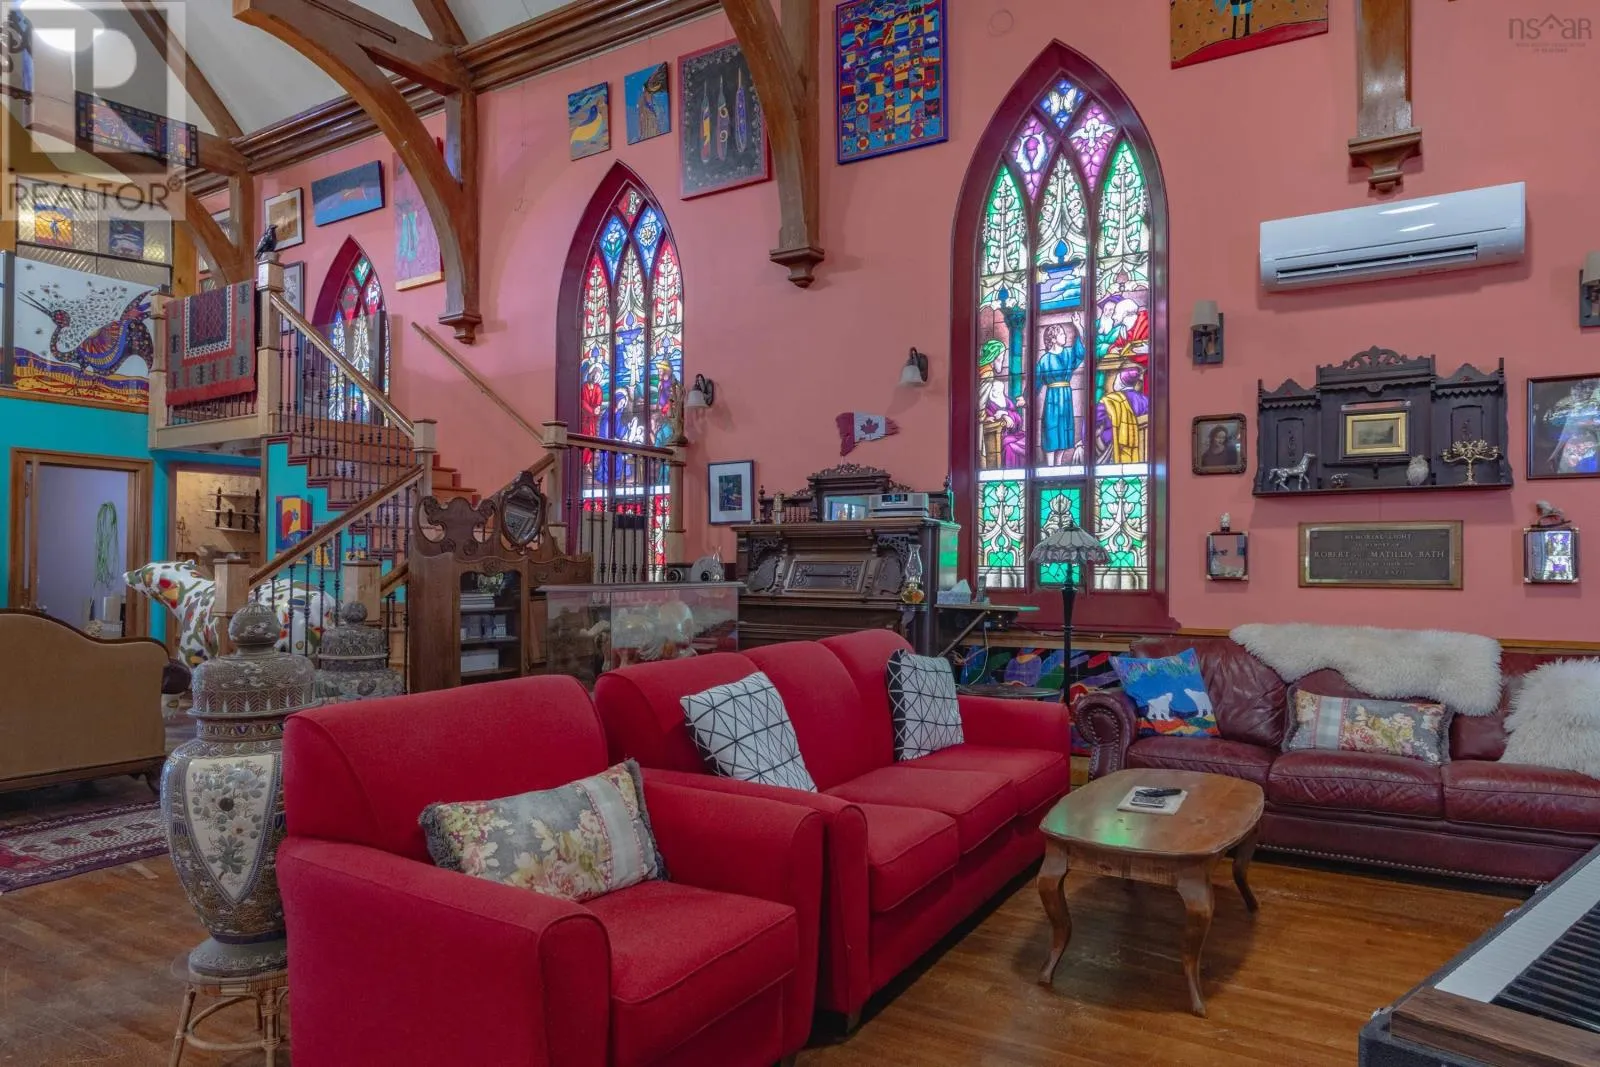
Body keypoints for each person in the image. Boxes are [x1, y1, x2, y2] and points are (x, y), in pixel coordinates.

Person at [1036, 323, 1086, 464]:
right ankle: (1050, 467)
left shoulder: (1069, 354)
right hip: (1052, 397)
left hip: (1066, 397)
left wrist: (1079, 327)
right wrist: (1025, 398)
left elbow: (1081, 352)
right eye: (1061, 334)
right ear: (1053, 339)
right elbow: (1036, 381)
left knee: (1063, 430)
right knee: (1051, 430)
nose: (1065, 336)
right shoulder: (1044, 360)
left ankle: (1058, 465)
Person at [1097, 365, 1149, 464]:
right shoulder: (1146, 400)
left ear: (1121, 383)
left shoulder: (1110, 400)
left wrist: (1083, 441)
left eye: (1116, 379)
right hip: (1142, 445)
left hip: (1115, 442)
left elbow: (1092, 421)